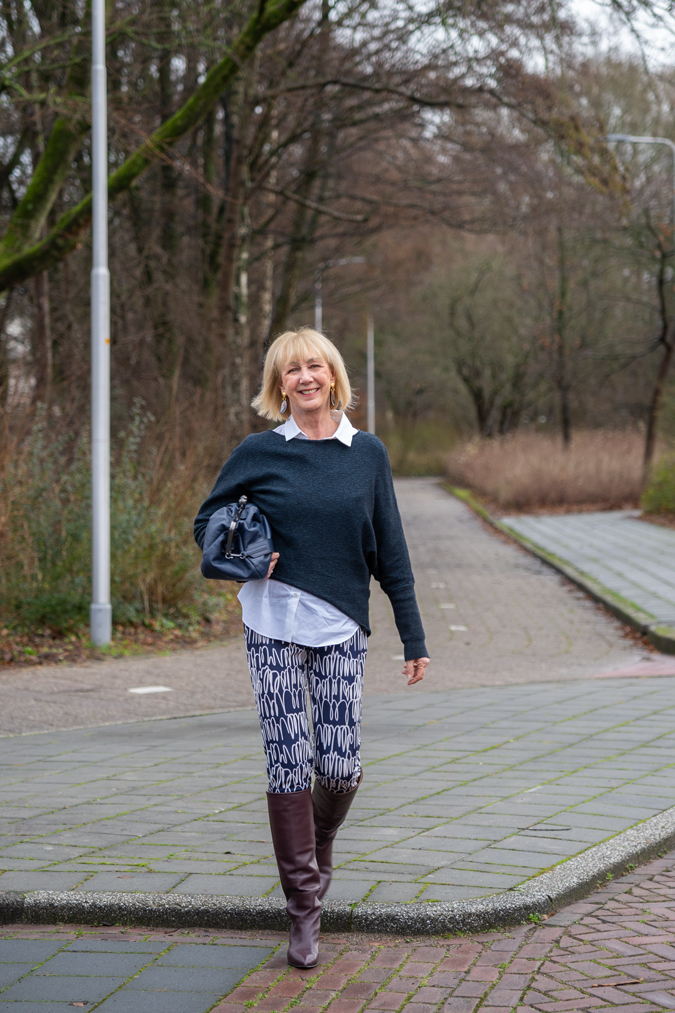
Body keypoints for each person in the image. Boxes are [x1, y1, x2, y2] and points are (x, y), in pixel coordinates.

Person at [194, 328, 429, 969]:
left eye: (314, 366)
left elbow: (392, 550)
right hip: (271, 621)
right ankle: (304, 910)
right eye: (292, 369)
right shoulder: (258, 450)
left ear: (333, 377)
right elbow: (207, 522)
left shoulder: (366, 454)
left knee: (342, 766)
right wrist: (245, 558)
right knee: (289, 760)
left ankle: (319, 846)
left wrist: (413, 636)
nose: (304, 377)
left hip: (339, 629)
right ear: (279, 384)